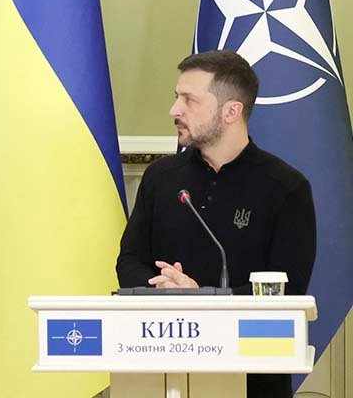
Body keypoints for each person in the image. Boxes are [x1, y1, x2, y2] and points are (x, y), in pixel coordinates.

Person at [116, 50, 316, 398]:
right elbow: (129, 261)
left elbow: (287, 291)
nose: (174, 110)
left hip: (252, 377)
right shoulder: (161, 177)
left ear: (231, 111)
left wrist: (202, 298)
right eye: (176, 97)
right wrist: (166, 291)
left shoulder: (285, 187)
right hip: (160, 365)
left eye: (188, 100)